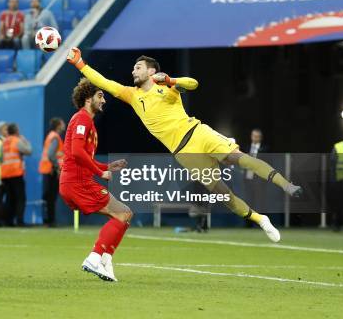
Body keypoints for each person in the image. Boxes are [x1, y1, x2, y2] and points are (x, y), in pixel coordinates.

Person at [66, 48, 303, 243]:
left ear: (151, 71)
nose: (132, 71)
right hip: (183, 153)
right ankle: (260, 220)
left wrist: (171, 80)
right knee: (222, 193)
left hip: (198, 133)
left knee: (238, 158)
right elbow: (105, 82)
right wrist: (80, 64)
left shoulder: (166, 87)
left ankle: (287, 185)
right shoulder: (132, 95)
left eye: (137, 67)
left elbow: (193, 83)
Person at [59, 78, 130, 281]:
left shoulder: (83, 120)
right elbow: (77, 152)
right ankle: (94, 257)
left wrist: (106, 166)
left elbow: (83, 157)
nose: (104, 100)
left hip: (74, 181)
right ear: (88, 98)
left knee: (126, 215)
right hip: (77, 182)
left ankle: (106, 261)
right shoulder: (82, 119)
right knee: (122, 213)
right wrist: (101, 173)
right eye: (100, 95)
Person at [1, 123, 32, 226]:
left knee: (9, 199)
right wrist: (24, 140)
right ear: (16, 131)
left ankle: (7, 221)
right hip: (16, 173)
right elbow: (29, 151)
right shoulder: (17, 141)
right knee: (20, 198)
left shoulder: (4, 142)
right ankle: (20, 221)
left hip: (5, 173)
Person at [39, 117, 65, 227]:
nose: (64, 124)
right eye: (62, 123)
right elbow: (50, 154)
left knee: (49, 196)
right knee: (51, 197)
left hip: (48, 169)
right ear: (58, 125)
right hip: (52, 170)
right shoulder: (55, 137)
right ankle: (50, 221)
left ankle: (48, 220)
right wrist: (56, 167)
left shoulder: (51, 136)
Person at [243, 128, 268, 226]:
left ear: (260, 138)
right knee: (248, 202)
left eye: (257, 136)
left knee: (260, 202)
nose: (255, 138)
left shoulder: (265, 149)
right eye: (253, 136)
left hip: (259, 180)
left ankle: (262, 223)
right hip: (248, 179)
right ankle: (248, 224)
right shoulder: (246, 148)